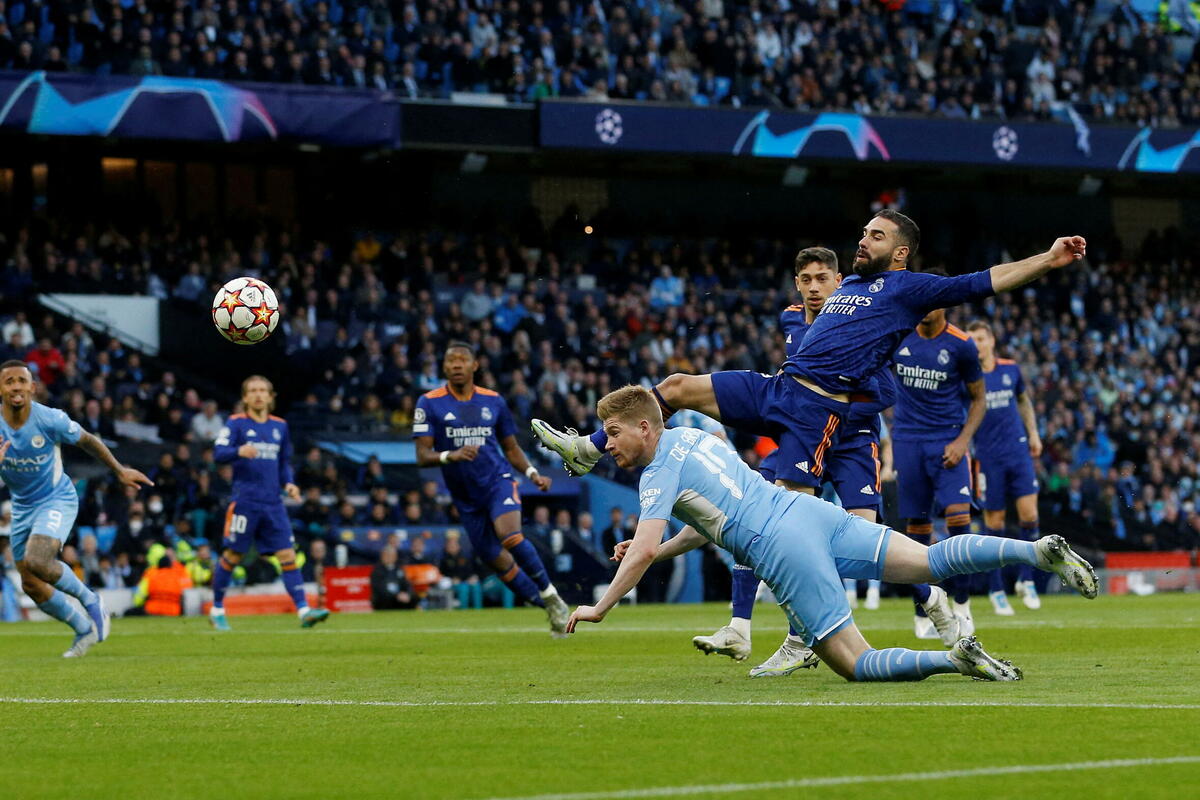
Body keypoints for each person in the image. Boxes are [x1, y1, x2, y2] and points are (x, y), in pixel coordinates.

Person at [566, 386, 1098, 684]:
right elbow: (710, 523)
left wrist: (601, 607)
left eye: (612, 433)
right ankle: (1036, 550)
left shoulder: (656, 472)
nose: (606, 445)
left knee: (854, 662)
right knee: (931, 561)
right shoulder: (691, 436)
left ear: (644, 427)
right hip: (807, 510)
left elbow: (644, 549)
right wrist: (659, 550)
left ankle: (953, 658)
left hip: (781, 546)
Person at [534, 212, 1086, 495]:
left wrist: (1046, 258)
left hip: (815, 409)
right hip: (778, 387)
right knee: (676, 385)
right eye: (863, 232)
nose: (863, 239)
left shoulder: (910, 288)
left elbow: (985, 280)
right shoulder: (848, 286)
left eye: (875, 236)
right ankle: (590, 446)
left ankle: (809, 631)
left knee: (788, 516)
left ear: (900, 252)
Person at [692, 248, 956, 677]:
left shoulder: (864, 319)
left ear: (839, 282)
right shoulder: (790, 319)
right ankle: (745, 627)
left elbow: (886, 392)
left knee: (861, 541)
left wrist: (833, 406)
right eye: (807, 279)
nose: (814, 287)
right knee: (762, 519)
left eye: (823, 279)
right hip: (803, 435)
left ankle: (927, 593)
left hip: (852, 440)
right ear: (797, 283)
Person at [413, 341, 570, 636]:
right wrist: (450, 455)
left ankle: (550, 593)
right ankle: (549, 606)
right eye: (450, 360)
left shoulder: (493, 400)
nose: (456, 364)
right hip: (465, 497)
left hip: (498, 481)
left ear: (475, 365)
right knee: (496, 561)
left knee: (510, 536)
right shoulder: (429, 402)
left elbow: (510, 448)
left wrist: (532, 473)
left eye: (462, 359)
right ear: (443, 367)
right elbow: (422, 456)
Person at [0, 359, 153, 657]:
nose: (16, 387)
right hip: (21, 506)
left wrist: (119, 470)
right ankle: (83, 628)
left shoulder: (50, 419)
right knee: (31, 583)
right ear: (1, 389)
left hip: (55, 498)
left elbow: (88, 440)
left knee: (38, 559)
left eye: (21, 381)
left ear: (32, 387)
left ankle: (91, 600)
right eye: (9, 381)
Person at [891, 303, 986, 639]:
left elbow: (979, 399)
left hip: (948, 440)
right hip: (908, 442)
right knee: (917, 530)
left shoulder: (961, 344)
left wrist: (962, 441)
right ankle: (924, 612)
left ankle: (962, 604)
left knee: (959, 519)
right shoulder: (898, 335)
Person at [208, 375, 330, 630]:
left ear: (271, 396)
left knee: (288, 554)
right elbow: (218, 453)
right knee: (233, 555)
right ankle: (217, 608)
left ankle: (304, 611)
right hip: (245, 502)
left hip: (274, 503)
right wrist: (238, 451)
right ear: (245, 397)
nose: (258, 395)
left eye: (263, 390)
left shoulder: (280, 426)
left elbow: (283, 462)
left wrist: (289, 483)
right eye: (253, 390)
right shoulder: (236, 423)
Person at [967, 319, 1045, 613]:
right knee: (995, 523)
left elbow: (1023, 401)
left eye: (981, 338)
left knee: (1030, 515)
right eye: (972, 339)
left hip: (1018, 451)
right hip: (987, 458)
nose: (976, 344)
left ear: (991, 341)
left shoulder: (1010, 369)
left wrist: (1033, 433)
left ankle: (1027, 580)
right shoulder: (969, 377)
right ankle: (996, 588)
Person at [371, 546, 416, 610]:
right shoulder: (377, 571)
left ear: (395, 557)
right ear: (382, 556)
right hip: (385, 599)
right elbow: (379, 589)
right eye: (387, 555)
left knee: (413, 597)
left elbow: (407, 584)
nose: (389, 557)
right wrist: (396, 595)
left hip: (400, 597)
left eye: (391, 555)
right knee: (385, 599)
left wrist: (407, 594)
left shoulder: (399, 569)